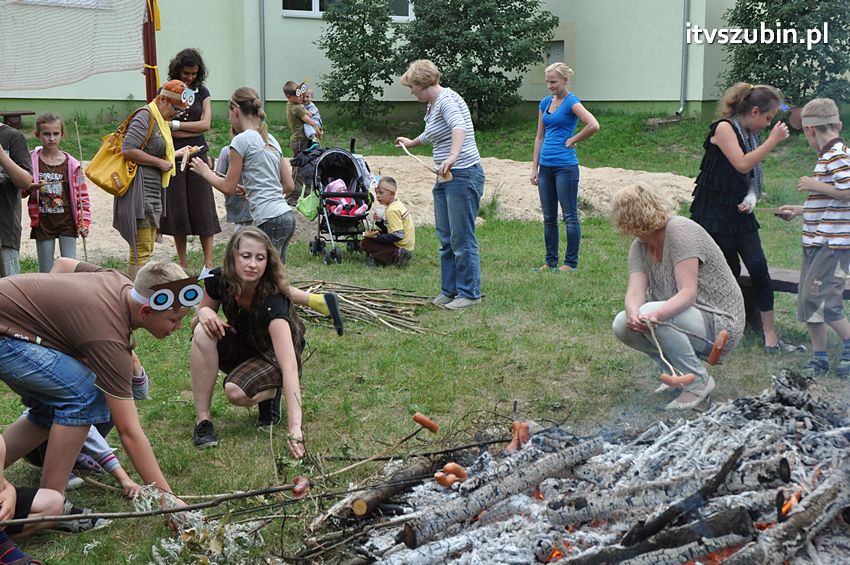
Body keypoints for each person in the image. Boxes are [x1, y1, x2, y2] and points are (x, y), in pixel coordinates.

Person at [0, 259, 190, 516]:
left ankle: (43, 497)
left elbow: (63, 265)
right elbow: (129, 431)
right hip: (5, 334)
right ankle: (54, 501)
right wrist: (166, 498)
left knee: (54, 403)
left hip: (9, 322)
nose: (177, 328)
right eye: (173, 319)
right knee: (86, 394)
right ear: (145, 311)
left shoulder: (119, 280)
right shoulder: (108, 339)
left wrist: (57, 320)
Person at [610, 183, 745, 410]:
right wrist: (634, 315)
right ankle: (675, 373)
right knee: (622, 324)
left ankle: (698, 382)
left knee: (651, 315)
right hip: (683, 318)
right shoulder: (639, 247)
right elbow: (634, 292)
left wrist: (655, 313)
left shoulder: (680, 230)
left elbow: (688, 293)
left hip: (720, 322)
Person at [690, 83, 799, 353]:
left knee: (758, 267)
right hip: (714, 213)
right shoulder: (724, 128)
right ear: (753, 110)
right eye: (767, 117)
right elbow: (741, 163)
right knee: (728, 272)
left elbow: (749, 176)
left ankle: (770, 336)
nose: (767, 123)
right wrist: (772, 141)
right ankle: (725, 331)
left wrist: (752, 198)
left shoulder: (750, 133)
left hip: (739, 213)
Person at [189, 227, 306, 457]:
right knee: (203, 332)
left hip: (273, 356)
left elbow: (290, 367)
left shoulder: (273, 301)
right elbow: (196, 323)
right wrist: (203, 313)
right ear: (233, 257)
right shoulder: (218, 280)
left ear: (267, 262)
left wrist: (295, 429)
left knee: (236, 392)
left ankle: (271, 392)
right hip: (244, 342)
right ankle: (203, 421)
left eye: (260, 258)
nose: (253, 264)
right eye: (246, 256)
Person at [396, 59, 485, 310]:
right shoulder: (434, 104)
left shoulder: (447, 100)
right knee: (446, 238)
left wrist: (453, 156)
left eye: (411, 86)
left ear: (421, 84)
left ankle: (469, 293)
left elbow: (458, 128)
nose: (411, 91)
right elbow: (435, 132)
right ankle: (450, 290)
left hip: (463, 176)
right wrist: (413, 142)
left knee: (461, 238)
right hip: (445, 178)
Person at [778, 98, 850, 378]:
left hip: (833, 246)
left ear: (808, 131)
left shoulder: (838, 155)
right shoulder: (828, 157)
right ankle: (820, 356)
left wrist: (813, 184)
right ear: (838, 124)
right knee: (808, 300)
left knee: (827, 303)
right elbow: (832, 202)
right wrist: (800, 210)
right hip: (816, 243)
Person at [190, 87, 297, 261]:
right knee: (277, 276)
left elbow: (228, 188)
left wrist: (205, 172)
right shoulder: (271, 139)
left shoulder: (241, 140)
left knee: (265, 277)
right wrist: (253, 190)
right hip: (286, 216)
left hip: (268, 218)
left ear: (235, 110)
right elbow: (288, 185)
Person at [115, 79, 192, 280]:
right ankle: (132, 298)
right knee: (140, 250)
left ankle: (134, 295)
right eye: (176, 108)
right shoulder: (145, 116)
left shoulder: (159, 119)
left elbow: (155, 150)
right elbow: (128, 149)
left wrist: (175, 154)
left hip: (153, 190)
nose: (177, 114)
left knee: (145, 248)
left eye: (181, 111)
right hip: (140, 191)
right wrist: (159, 163)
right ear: (164, 99)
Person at [530, 62, 599, 273]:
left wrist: (573, 139)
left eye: (554, 81)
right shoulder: (544, 103)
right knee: (549, 217)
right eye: (547, 82)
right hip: (546, 167)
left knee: (569, 216)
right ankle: (550, 262)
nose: (550, 85)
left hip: (565, 167)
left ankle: (570, 263)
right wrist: (535, 168)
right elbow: (539, 137)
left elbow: (593, 125)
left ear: (565, 80)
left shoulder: (572, 102)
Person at [159, 48, 221, 270]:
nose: (190, 77)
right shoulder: (166, 90)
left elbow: (205, 125)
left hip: (198, 154)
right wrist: (186, 130)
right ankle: (182, 263)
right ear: (178, 69)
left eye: (194, 73)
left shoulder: (202, 92)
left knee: (202, 205)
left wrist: (176, 126)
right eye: (186, 73)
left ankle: (208, 262)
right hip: (173, 156)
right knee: (178, 207)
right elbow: (161, 125)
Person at [26, 113, 91, 273]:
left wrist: (84, 222)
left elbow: (83, 197)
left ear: (62, 135)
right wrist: (29, 187)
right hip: (43, 221)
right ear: (37, 135)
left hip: (67, 221)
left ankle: (67, 297)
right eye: (46, 134)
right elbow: (20, 190)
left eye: (56, 134)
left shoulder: (72, 164)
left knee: (69, 268)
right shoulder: (31, 161)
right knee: (46, 270)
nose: (51, 138)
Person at [0, 123, 33, 278]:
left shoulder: (12, 137)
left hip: (5, 232)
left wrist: (2, 156)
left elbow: (26, 182)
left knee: (9, 292)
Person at [361, 176, 415, 266]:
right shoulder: (396, 204)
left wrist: (378, 238)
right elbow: (391, 229)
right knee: (373, 235)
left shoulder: (392, 210)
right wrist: (380, 222)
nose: (377, 196)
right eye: (376, 192)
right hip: (405, 244)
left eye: (381, 193)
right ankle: (395, 254)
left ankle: (396, 255)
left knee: (366, 243)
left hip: (401, 244)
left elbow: (398, 235)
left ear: (392, 194)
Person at [217, 127, 253, 233]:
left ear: (231, 131)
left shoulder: (226, 151)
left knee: (239, 228)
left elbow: (220, 174)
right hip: (253, 194)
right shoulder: (255, 149)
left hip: (235, 195)